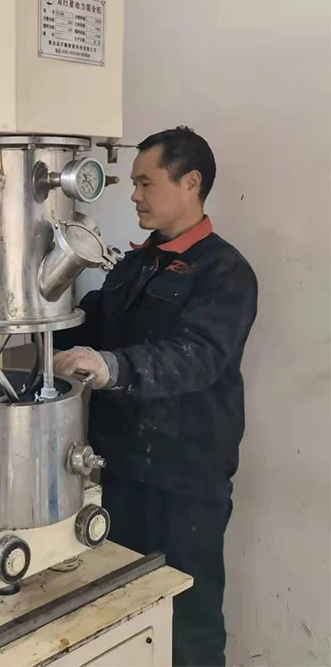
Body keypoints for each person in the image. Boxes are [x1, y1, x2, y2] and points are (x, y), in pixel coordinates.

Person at [54, 126, 258, 667]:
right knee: (121, 613)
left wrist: (112, 366)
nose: (134, 195)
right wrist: (28, 316)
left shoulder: (225, 272)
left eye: (146, 182)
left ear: (190, 182)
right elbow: (89, 327)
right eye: (134, 183)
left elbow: (198, 356)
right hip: (117, 472)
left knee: (188, 625)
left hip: (184, 481)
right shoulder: (135, 264)